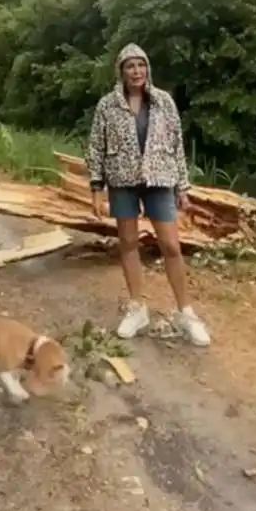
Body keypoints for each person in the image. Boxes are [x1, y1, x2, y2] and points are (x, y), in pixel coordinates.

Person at [86, 43, 210, 346]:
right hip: (122, 181)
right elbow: (96, 147)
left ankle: (185, 313)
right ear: (121, 71)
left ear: (148, 69)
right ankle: (137, 308)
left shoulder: (164, 102)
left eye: (141, 65)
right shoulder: (107, 105)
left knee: (170, 245)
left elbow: (177, 145)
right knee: (128, 243)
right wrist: (96, 188)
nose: (136, 71)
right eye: (130, 66)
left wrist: (183, 188)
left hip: (160, 180)